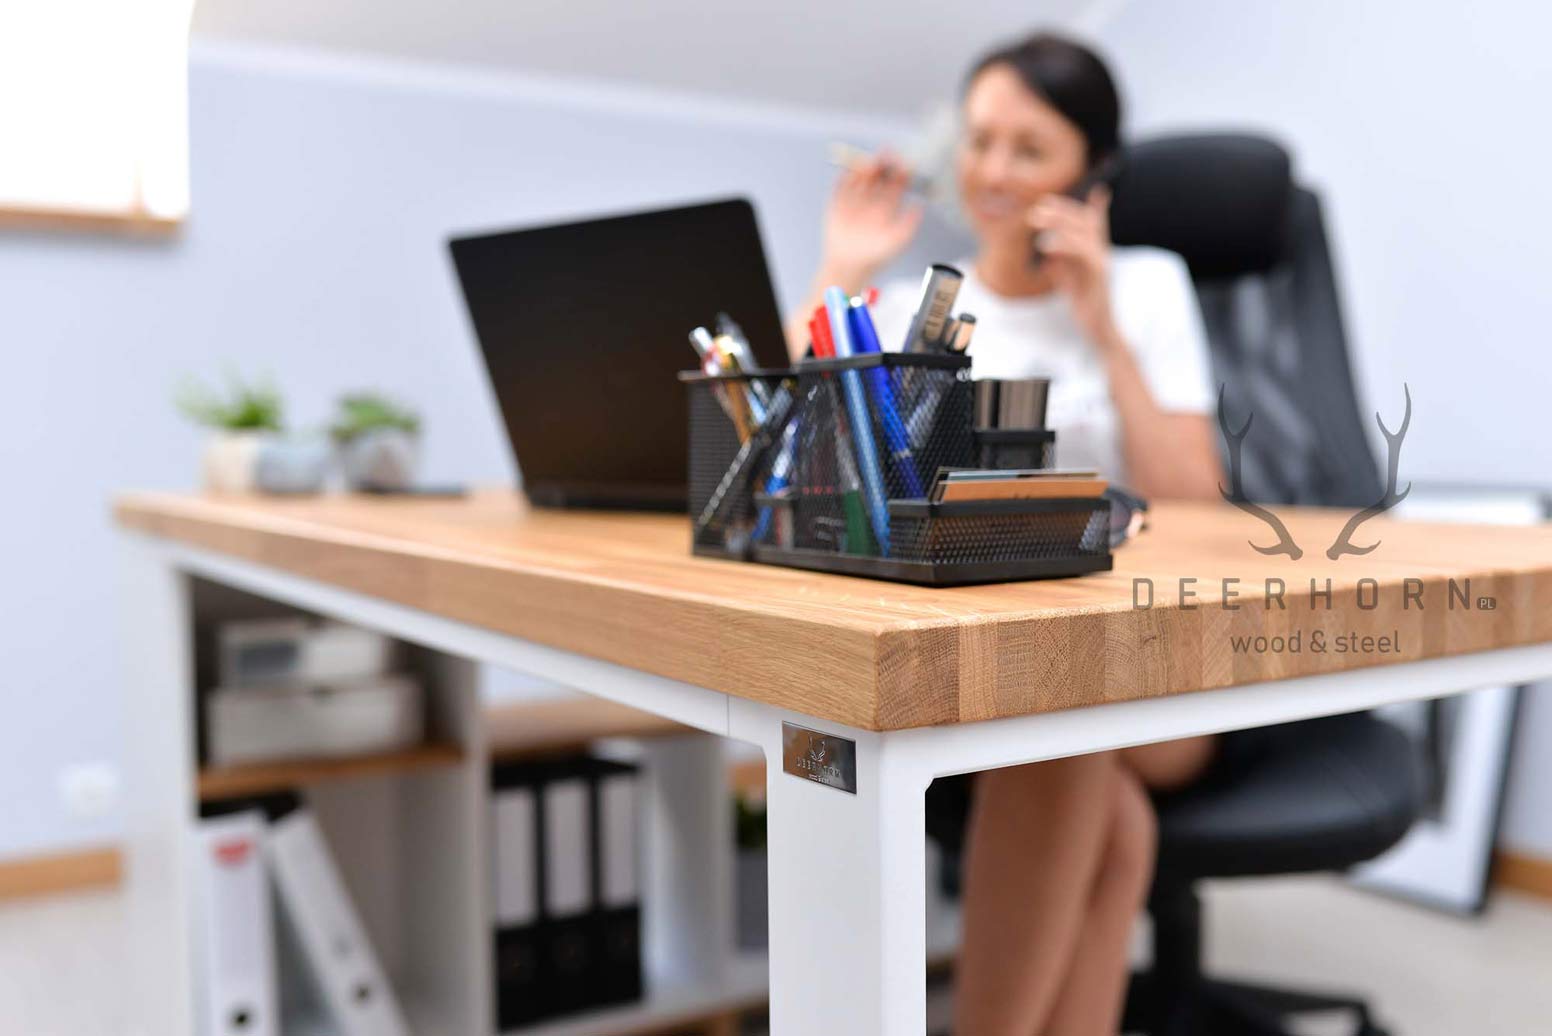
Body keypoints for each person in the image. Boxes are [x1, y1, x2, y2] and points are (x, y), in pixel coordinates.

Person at [788, 32, 1225, 1036]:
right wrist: (840, 267)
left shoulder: (1146, 287)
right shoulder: (925, 307)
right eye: (980, 139)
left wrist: (1101, 326)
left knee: (1058, 719)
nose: (990, 171)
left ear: (1092, 173)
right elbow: (806, 461)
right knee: (1113, 827)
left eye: (1029, 149)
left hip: (1155, 656)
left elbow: (1199, 504)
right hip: (986, 656)